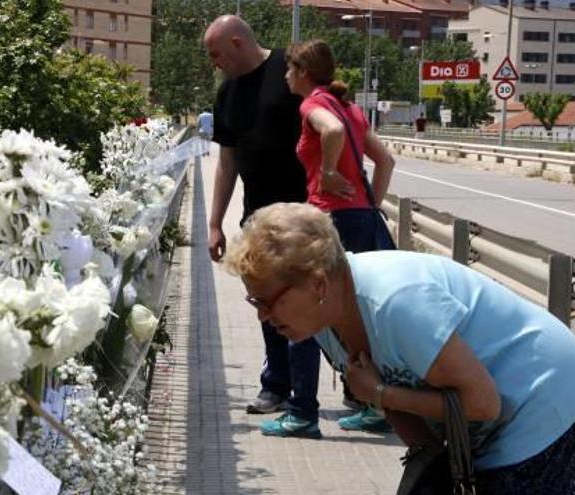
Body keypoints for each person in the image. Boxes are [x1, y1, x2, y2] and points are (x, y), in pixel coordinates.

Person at [225, 202, 575, 494]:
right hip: (495, 419)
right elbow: (419, 436)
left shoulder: (395, 303)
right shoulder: (325, 319)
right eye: (254, 301)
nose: (261, 316)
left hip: (542, 396)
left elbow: (483, 404)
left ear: (317, 283)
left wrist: (381, 393)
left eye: (267, 302)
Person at [203, 15, 322, 438]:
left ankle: (354, 387)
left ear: (238, 42)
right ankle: (277, 386)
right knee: (267, 303)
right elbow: (227, 163)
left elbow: (326, 126)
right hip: (257, 216)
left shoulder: (289, 72)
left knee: (315, 303)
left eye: (216, 53)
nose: (213, 62)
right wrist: (214, 223)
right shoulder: (227, 92)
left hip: (305, 215)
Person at [282, 39, 396, 434]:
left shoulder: (313, 105)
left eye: (289, 69)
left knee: (301, 308)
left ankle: (301, 412)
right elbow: (386, 161)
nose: (285, 76)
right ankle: (377, 405)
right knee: (359, 316)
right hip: (362, 218)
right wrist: (369, 203)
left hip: (329, 219)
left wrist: (329, 173)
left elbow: (328, 133)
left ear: (302, 71)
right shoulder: (351, 110)